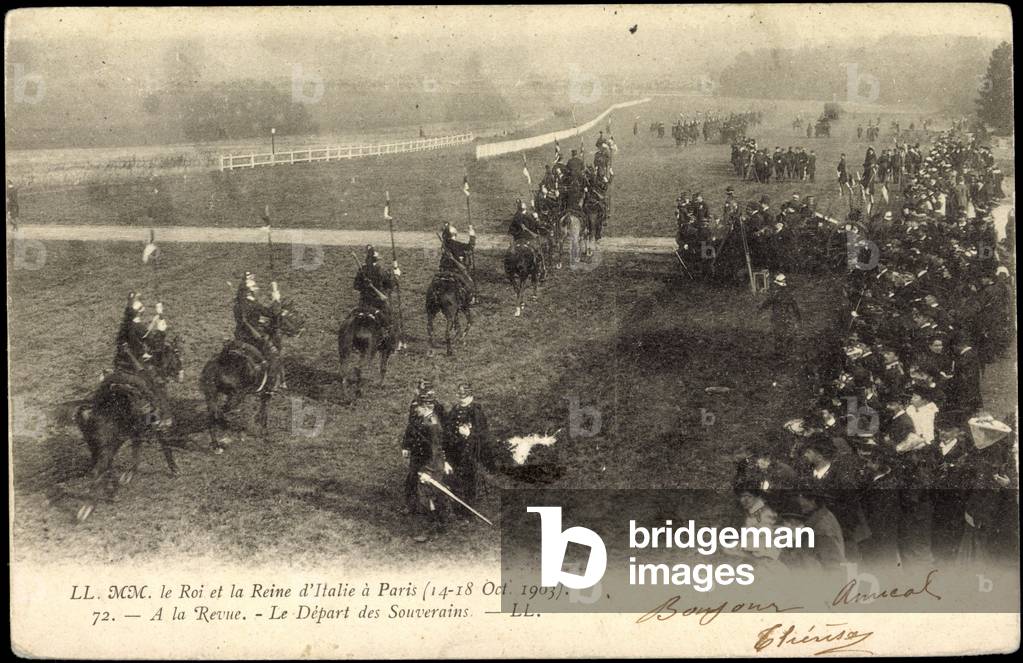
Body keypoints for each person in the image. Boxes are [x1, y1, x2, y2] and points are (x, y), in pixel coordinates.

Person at [401, 380, 449, 534]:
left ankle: (428, 529)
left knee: (426, 497)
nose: (416, 411)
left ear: (426, 407)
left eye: (419, 408)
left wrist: (427, 472)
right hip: (426, 462)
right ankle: (439, 525)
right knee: (430, 496)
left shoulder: (432, 425)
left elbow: (434, 450)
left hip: (431, 466)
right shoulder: (426, 420)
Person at [233, 271, 284, 393]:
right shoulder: (252, 303)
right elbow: (273, 313)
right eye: (254, 288)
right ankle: (270, 387)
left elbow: (244, 319)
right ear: (249, 290)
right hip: (252, 337)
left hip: (239, 336)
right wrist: (275, 297)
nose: (256, 290)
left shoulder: (238, 303)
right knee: (273, 355)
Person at [442, 383, 491, 509]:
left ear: (470, 396)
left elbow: (483, 435)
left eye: (464, 397)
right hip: (454, 451)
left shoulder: (476, 411)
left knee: (469, 480)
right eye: (460, 396)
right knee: (454, 479)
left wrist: (470, 433)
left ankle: (469, 509)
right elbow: (447, 428)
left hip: (470, 452)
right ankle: (456, 505)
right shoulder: (455, 409)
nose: (461, 399)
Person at [759, 274, 801, 356]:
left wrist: (760, 308)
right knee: (788, 333)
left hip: (777, 317)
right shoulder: (789, 295)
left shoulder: (775, 294)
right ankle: (788, 351)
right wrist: (798, 318)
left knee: (778, 334)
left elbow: (766, 303)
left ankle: (779, 352)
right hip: (787, 316)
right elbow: (795, 308)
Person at [439, 224, 476, 303]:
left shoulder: (444, 243)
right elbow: (470, 247)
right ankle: (470, 299)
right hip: (455, 270)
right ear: (454, 234)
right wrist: (471, 233)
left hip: (443, 269)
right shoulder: (456, 244)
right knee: (470, 283)